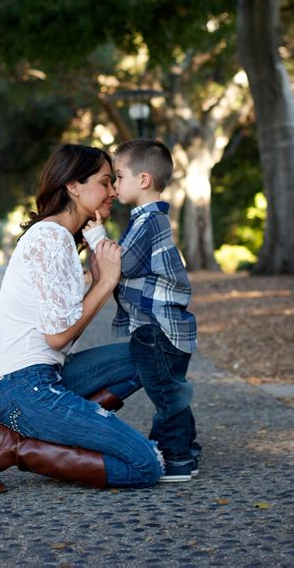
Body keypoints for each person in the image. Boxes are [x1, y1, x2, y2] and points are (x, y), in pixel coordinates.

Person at [0, 144, 163, 494]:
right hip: (19, 388)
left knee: (151, 354)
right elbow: (57, 336)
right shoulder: (50, 238)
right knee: (145, 465)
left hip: (48, 376)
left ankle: (68, 430)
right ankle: (15, 447)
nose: (114, 192)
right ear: (73, 186)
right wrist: (105, 281)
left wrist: (96, 250)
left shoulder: (59, 237)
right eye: (106, 182)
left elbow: (64, 322)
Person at [83, 139, 199, 482]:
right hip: (160, 325)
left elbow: (126, 264)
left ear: (143, 180)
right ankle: (186, 449)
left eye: (118, 177)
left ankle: (177, 459)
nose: (114, 186)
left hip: (156, 327)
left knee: (167, 393)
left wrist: (97, 237)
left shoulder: (148, 221)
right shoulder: (147, 219)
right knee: (172, 389)